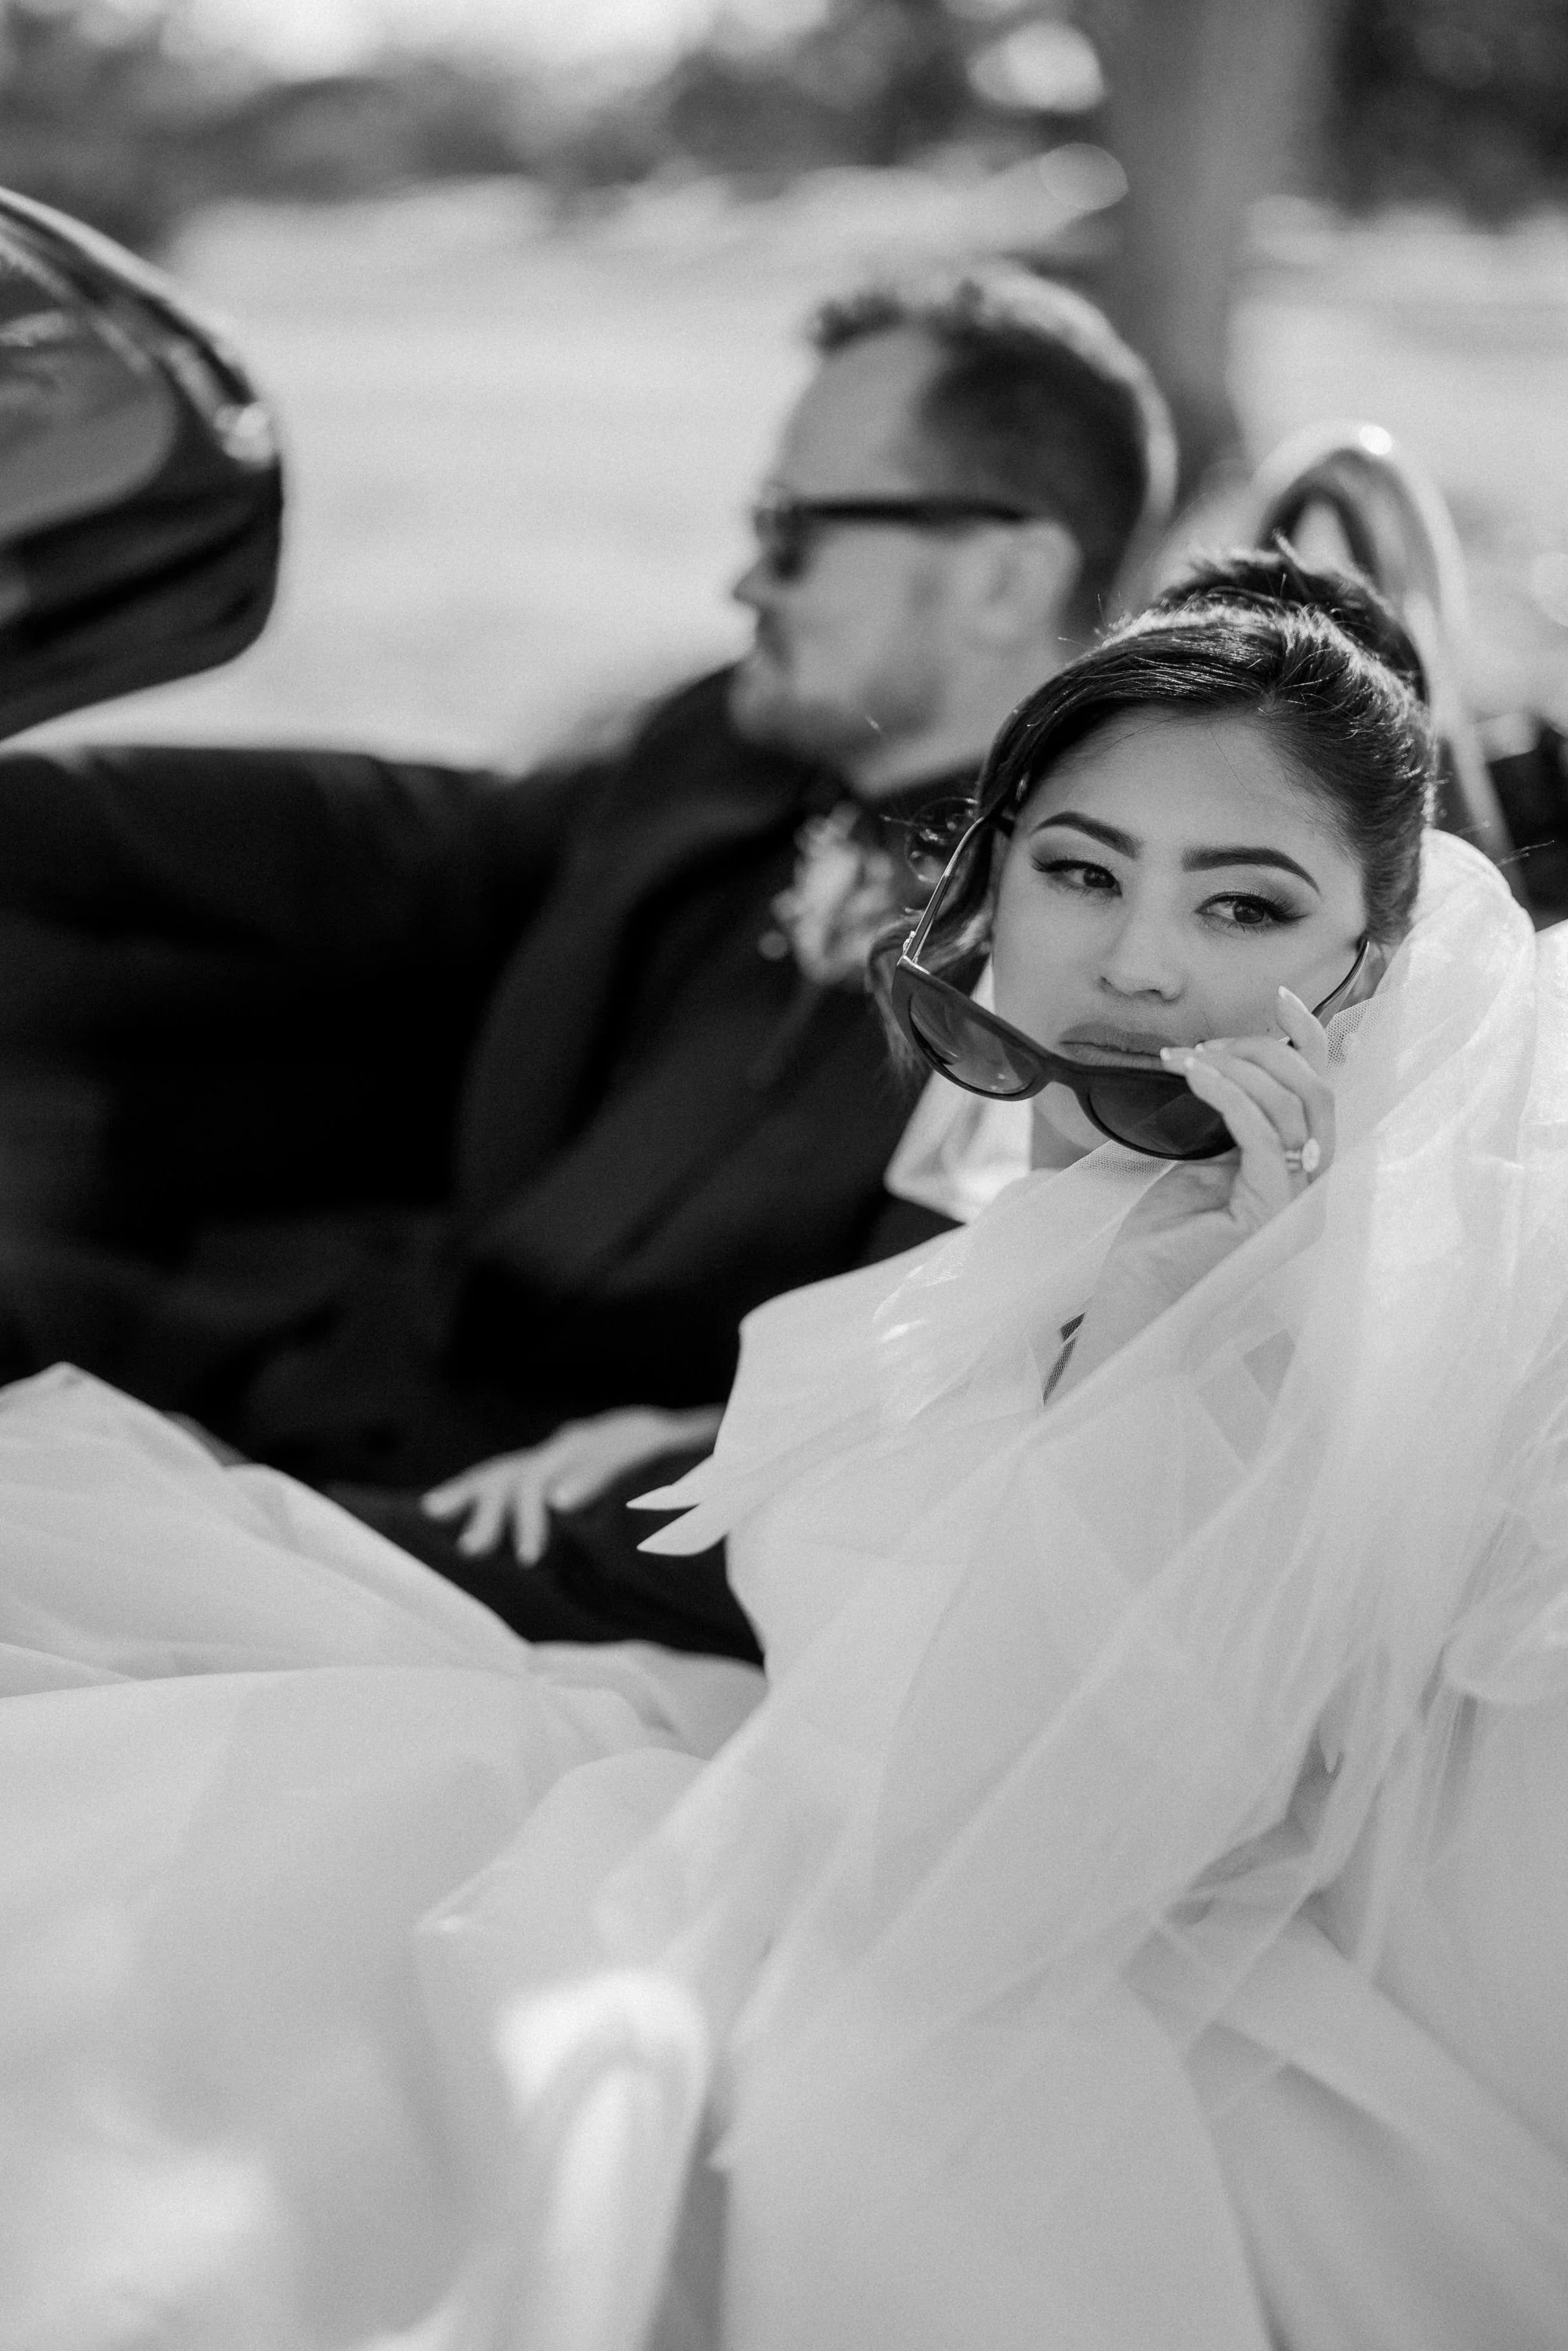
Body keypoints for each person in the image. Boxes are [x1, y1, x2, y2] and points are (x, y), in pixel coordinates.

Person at [5, 550, 1568, 2348]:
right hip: (808, 1787)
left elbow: (1046, 1856)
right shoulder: (1093, 1163)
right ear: (994, 873)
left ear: (1370, 953)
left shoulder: (1329, 1295)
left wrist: (1224, 1322)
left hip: (1023, 1959)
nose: (1137, 964)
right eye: (1080, 871)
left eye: (1244, 909)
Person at [0, 263, 1174, 1661]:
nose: (745, 574)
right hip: (346, 1337)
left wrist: (308, 1534)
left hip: (538, 1551)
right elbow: (420, 847)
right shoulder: (720, 746)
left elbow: (928, 1407)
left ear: (1005, 576)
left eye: (794, 531)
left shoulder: (1083, 958)